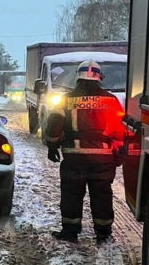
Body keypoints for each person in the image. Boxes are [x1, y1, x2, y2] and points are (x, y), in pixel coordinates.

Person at [45, 60, 125, 244]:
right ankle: (103, 233)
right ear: (99, 78)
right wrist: (119, 152)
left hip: (74, 157)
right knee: (102, 194)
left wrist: (52, 146)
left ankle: (70, 232)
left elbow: (54, 125)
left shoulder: (66, 99)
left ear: (78, 78)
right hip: (103, 158)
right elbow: (120, 129)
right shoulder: (111, 100)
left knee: (71, 194)